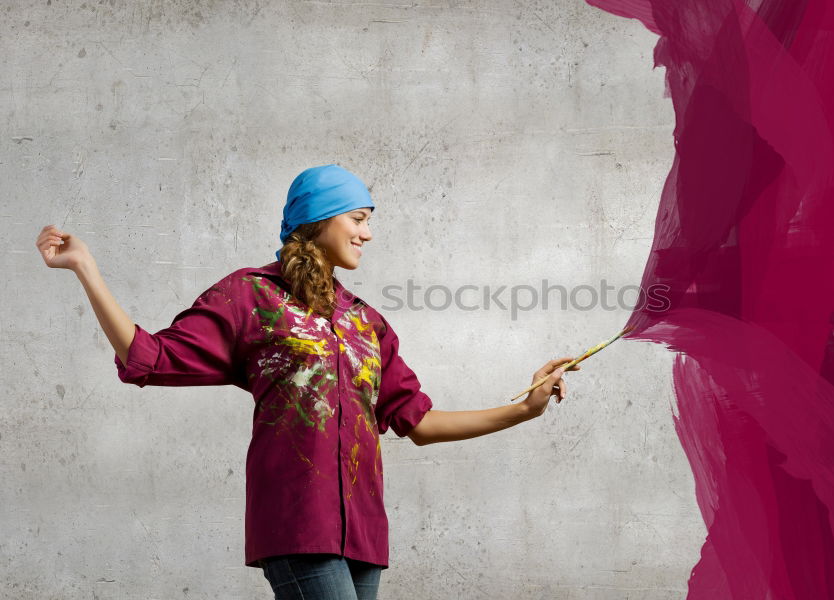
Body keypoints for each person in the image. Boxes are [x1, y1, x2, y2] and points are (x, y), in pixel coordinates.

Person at [35, 164, 577, 600]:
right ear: (319, 218)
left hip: (363, 529)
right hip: (298, 520)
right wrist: (87, 268)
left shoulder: (367, 323)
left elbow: (420, 422)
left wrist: (525, 410)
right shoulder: (251, 298)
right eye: (359, 218)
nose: (368, 233)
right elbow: (148, 358)